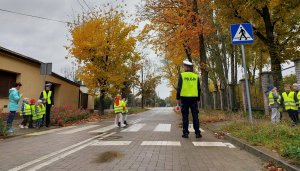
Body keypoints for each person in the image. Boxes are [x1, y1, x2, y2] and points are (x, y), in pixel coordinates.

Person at [176, 60, 201, 138]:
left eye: (184, 66)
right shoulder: (196, 76)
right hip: (194, 99)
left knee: (185, 116)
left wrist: (177, 98)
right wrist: (198, 98)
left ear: (186, 67)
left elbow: (179, 87)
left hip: (184, 98)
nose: (183, 68)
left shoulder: (182, 75)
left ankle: (185, 133)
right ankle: (197, 133)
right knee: (195, 116)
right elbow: (198, 88)